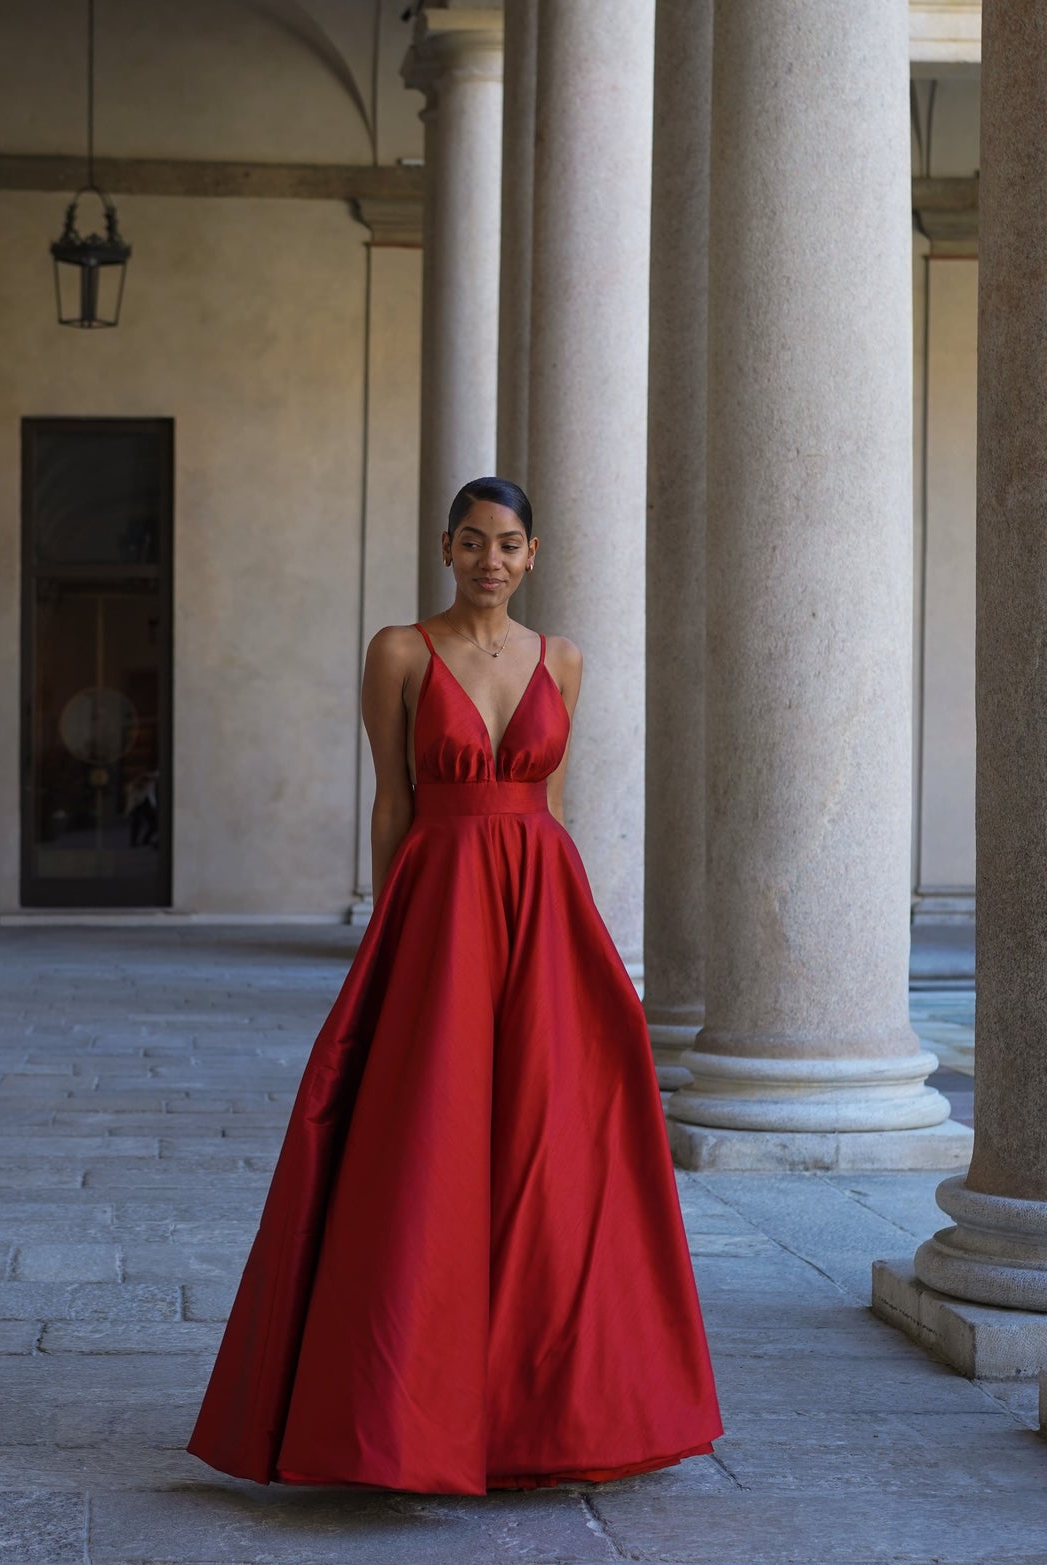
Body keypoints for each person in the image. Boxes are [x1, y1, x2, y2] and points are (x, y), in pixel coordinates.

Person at [188, 477, 722, 1494]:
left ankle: (549, 1413)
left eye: (508, 543)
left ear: (533, 556)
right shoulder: (399, 649)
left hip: (542, 907)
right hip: (436, 903)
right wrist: (388, 926)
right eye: (473, 541)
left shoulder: (561, 657)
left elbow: (548, 803)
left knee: (550, 1138)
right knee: (425, 1134)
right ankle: (396, 1410)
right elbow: (394, 800)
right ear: (447, 548)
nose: (490, 559)